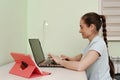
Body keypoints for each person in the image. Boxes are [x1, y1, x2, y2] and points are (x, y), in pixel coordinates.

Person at [49, 12, 114, 80]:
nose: (80, 31)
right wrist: (69, 59)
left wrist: (60, 62)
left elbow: (80, 66)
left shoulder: (99, 44)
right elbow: (82, 56)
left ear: (91, 27)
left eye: (82, 27)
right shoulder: (92, 44)